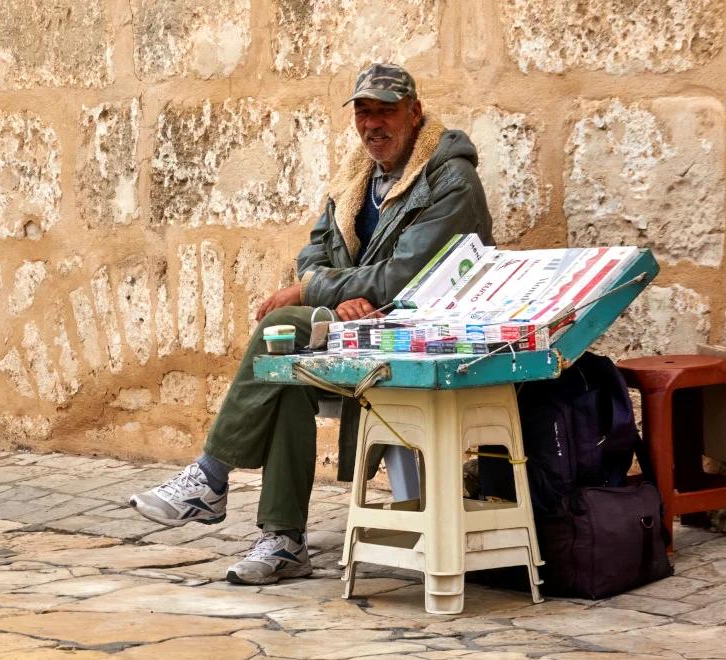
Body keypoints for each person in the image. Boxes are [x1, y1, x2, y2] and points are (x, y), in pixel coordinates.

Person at [130, 63, 494, 585]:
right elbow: (316, 250)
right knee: (286, 377)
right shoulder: (357, 176)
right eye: (363, 112)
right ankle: (282, 541)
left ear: (415, 114)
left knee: (283, 325)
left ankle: (213, 479)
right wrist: (343, 298)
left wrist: (317, 293)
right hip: (364, 327)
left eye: (386, 110)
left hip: (428, 335)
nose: (373, 124)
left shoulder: (450, 178)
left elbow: (404, 277)